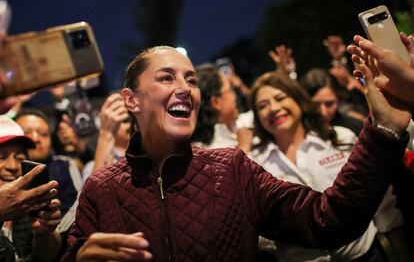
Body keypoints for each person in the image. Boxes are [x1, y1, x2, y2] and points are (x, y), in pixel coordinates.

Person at [62, 46, 410, 262]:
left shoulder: (231, 169)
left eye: (192, 80)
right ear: (131, 100)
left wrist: (384, 130)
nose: (185, 88)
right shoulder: (99, 187)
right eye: (167, 78)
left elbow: (329, 220)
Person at [248, 71, 406, 261]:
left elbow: (376, 193)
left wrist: (396, 239)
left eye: (280, 98)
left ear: (298, 100)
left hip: (366, 256)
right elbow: (257, 229)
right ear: (257, 116)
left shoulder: (340, 138)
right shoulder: (253, 163)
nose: (273, 108)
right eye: (262, 106)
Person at [0, 116, 62, 261]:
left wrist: (44, 232)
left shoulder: (29, 206)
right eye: (1, 157)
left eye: (20, 158)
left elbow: (46, 257)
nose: (13, 166)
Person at [14, 109, 83, 233]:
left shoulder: (64, 165)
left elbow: (77, 205)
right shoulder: (7, 170)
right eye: (27, 133)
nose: (35, 139)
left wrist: (54, 230)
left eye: (43, 134)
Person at [300, 68, 364, 135]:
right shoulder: (298, 131)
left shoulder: (356, 128)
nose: (323, 112)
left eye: (329, 104)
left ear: (338, 98)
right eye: (315, 105)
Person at [82, 92, 130, 179]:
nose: (129, 124)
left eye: (130, 117)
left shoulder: (147, 151)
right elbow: (94, 190)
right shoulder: (91, 167)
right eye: (125, 120)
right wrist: (106, 132)